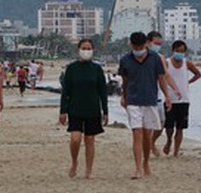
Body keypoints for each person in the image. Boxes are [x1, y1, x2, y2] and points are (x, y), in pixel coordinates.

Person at [118, 31, 172, 179]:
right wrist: (124, 97)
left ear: (146, 44)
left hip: (150, 100)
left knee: (147, 136)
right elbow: (125, 81)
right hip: (133, 101)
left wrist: (167, 96)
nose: (138, 49)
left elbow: (161, 79)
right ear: (131, 45)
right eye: (136, 46)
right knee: (137, 133)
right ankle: (137, 168)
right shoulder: (125, 60)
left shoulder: (155, 58)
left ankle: (146, 162)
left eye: (141, 46)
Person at [59, 38, 108, 179]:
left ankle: (88, 170)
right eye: (84, 48)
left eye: (89, 48)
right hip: (75, 108)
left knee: (90, 140)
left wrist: (105, 111)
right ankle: (74, 162)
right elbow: (65, 91)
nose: (86, 51)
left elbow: (102, 91)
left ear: (93, 50)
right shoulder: (71, 69)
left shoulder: (97, 69)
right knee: (75, 138)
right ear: (78, 50)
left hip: (93, 109)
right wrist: (63, 111)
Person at [145, 31, 182, 157]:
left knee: (161, 123)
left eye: (160, 44)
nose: (158, 46)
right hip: (143, 96)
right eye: (156, 43)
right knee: (146, 125)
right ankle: (147, 147)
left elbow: (165, 75)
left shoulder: (160, 58)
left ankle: (151, 143)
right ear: (148, 42)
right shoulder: (140, 56)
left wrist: (175, 89)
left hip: (157, 96)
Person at [162, 40, 201, 156]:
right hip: (170, 99)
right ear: (172, 51)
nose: (179, 53)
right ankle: (169, 140)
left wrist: (188, 82)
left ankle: (176, 151)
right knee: (169, 127)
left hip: (184, 100)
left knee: (180, 127)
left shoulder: (187, 63)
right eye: (177, 51)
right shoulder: (167, 63)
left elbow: (198, 74)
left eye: (182, 51)